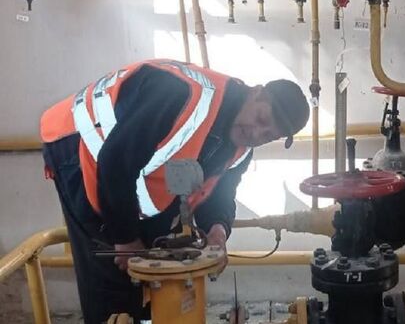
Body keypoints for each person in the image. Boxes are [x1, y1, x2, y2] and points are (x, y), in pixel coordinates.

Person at [39, 59, 310, 323]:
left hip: (122, 163)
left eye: (267, 136)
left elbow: (218, 194)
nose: (256, 134)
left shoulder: (240, 149)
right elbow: (116, 162)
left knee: (158, 260)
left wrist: (218, 229)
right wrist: (125, 239)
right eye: (261, 119)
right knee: (112, 271)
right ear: (256, 92)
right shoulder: (180, 95)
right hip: (80, 143)